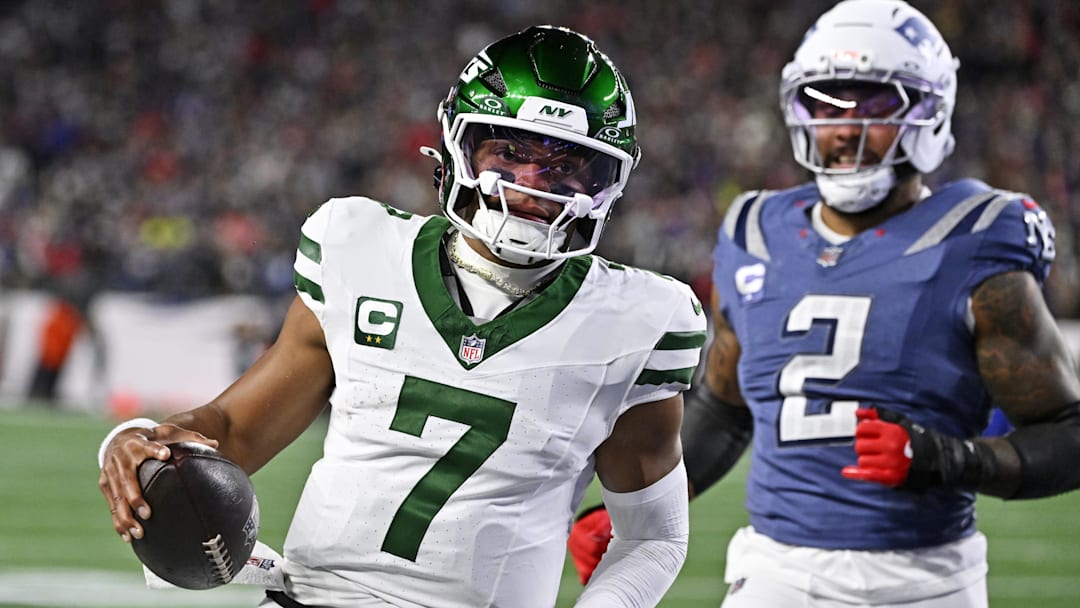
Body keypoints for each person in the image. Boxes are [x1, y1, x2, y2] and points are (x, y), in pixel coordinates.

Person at [97, 25, 706, 608]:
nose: (530, 186)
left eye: (565, 166)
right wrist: (140, 445)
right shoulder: (357, 247)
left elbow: (652, 537)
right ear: (457, 144)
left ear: (608, 181)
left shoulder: (640, 322)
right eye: (510, 153)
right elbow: (233, 430)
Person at [568, 1, 1080, 606]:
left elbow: (1067, 435)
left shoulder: (971, 238)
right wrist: (638, 511)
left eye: (876, 103)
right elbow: (726, 409)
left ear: (931, 110)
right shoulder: (755, 230)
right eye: (826, 102)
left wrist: (949, 457)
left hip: (928, 576)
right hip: (777, 572)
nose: (845, 127)